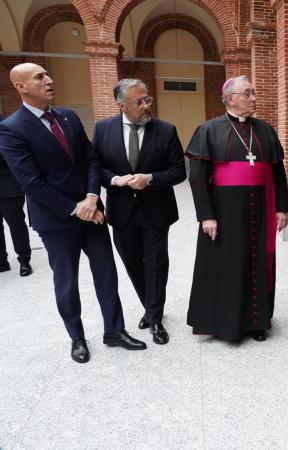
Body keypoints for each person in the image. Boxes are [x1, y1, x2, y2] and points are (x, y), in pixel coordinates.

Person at [0, 63, 146, 363]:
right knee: (66, 282)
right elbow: (30, 182)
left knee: (107, 274)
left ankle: (114, 331)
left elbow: (91, 160)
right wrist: (75, 209)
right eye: (40, 77)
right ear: (21, 86)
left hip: (92, 213)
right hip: (56, 221)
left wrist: (92, 197)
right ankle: (77, 338)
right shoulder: (11, 128)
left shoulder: (68, 117)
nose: (49, 80)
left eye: (48, 74)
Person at [186, 75, 288, 342]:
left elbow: (277, 173)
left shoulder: (265, 130)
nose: (254, 98)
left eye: (253, 93)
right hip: (224, 211)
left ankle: (256, 322)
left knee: (257, 263)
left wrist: (281, 208)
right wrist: (206, 216)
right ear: (230, 98)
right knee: (228, 264)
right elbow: (197, 178)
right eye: (248, 93)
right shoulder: (208, 130)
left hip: (261, 209)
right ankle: (226, 324)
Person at [92, 79, 186, 345]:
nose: (146, 106)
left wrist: (152, 178)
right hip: (121, 211)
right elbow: (95, 166)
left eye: (148, 99)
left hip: (156, 209)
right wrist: (114, 180)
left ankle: (155, 318)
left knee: (156, 264)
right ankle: (150, 305)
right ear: (121, 105)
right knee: (133, 263)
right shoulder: (102, 129)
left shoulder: (166, 130)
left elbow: (178, 171)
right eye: (139, 102)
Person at [0, 113, 33, 277]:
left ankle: (24, 260)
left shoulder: (7, 126)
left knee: (16, 225)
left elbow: (10, 155)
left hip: (8, 188)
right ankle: (2, 261)